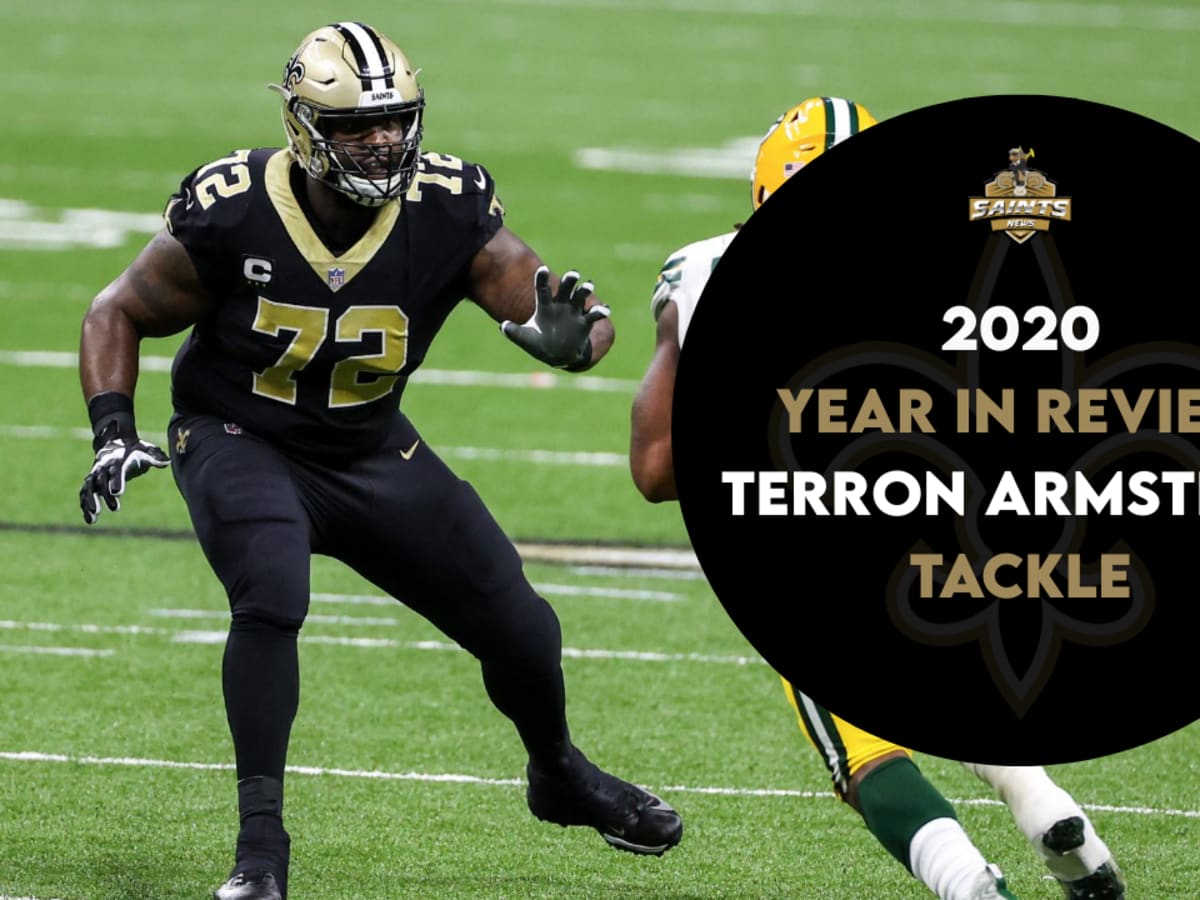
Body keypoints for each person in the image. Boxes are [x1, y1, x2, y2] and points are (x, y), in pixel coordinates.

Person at [77, 21, 681, 900]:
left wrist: (574, 340)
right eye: (360, 126)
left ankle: (558, 773)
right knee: (273, 587)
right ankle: (259, 853)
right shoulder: (235, 204)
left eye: (396, 120)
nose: (385, 141)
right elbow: (116, 309)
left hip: (367, 449)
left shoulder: (446, 205)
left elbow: (557, 307)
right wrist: (111, 428)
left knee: (521, 626)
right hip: (237, 434)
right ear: (303, 126)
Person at [629, 96, 1125, 900]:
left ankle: (967, 884)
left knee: (861, 749)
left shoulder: (698, 272)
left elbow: (655, 472)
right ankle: (1048, 809)